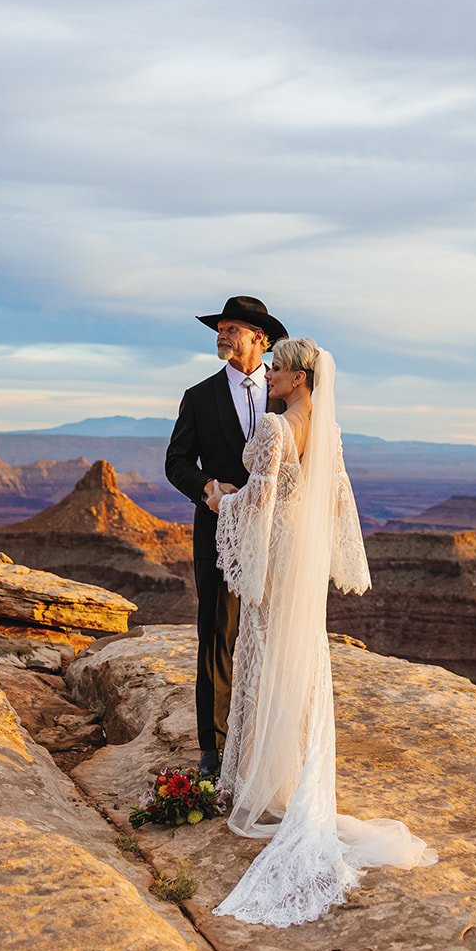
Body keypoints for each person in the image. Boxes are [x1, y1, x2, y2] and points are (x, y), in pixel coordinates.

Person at [205, 336, 433, 927]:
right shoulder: (327, 432)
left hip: (278, 558)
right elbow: (334, 501)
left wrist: (219, 501)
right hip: (301, 557)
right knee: (298, 661)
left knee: (262, 655)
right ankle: (292, 777)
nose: (270, 377)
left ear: (300, 379)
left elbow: (259, 500)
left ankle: (262, 782)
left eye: (277, 369)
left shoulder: (278, 430)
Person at [165, 295, 288, 778]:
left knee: (272, 630)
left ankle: (267, 737)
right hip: (220, 529)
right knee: (218, 632)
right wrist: (207, 488)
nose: (222, 334)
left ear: (261, 339)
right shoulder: (199, 396)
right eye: (220, 327)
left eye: (233, 328)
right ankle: (213, 748)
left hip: (278, 531)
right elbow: (176, 462)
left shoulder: (287, 392)